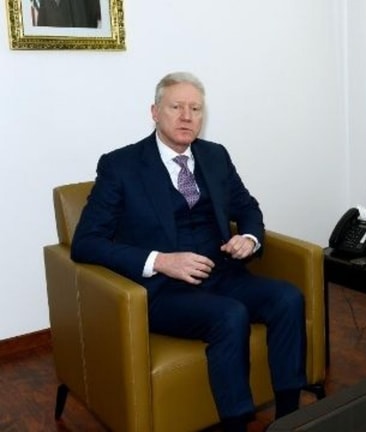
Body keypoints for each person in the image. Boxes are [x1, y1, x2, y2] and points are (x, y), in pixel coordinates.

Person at [71, 72, 307, 432]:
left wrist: (249, 238)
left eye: (195, 109)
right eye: (176, 107)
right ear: (155, 112)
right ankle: (236, 425)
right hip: (164, 291)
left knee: (288, 298)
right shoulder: (121, 166)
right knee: (230, 315)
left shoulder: (215, 155)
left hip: (223, 274)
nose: (186, 117)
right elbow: (86, 242)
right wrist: (161, 261)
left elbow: (247, 207)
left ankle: (291, 418)